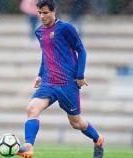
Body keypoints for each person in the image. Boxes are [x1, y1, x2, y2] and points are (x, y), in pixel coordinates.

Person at [17, 0, 104, 158]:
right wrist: (40, 75)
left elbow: (81, 50)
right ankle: (28, 147)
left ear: (53, 11)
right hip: (49, 83)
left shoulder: (66, 28)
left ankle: (98, 139)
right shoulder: (39, 32)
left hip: (67, 84)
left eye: (45, 12)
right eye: (39, 13)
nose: (42, 16)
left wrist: (80, 76)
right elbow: (46, 55)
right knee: (31, 109)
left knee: (76, 123)